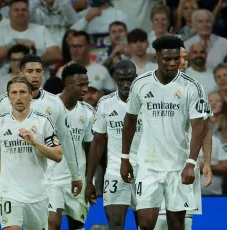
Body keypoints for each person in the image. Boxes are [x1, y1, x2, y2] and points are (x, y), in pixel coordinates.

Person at [121, 35, 207, 230]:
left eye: (176, 58)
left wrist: (191, 163)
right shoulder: (141, 84)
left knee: (176, 223)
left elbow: (199, 127)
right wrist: (125, 158)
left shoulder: (192, 87)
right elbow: (130, 120)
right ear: (157, 59)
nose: (173, 63)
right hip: (148, 166)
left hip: (178, 166)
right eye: (167, 59)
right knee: (145, 222)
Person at [0, 54, 83, 198]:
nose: (35, 75)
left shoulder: (54, 103)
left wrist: (75, 175)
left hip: (47, 179)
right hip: (13, 180)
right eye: (30, 71)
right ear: (21, 74)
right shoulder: (3, 102)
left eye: (38, 71)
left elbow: (66, 140)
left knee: (51, 221)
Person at [0, 76, 63, 229]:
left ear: (31, 95)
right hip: (9, 192)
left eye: (22, 92)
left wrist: (35, 142)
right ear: (8, 97)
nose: (18, 97)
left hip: (38, 194)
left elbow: (58, 155)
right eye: (14, 93)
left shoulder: (43, 122)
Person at [154, 45, 213, 230]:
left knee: (184, 222)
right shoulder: (150, 87)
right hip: (154, 167)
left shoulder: (196, 89)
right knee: (155, 222)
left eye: (185, 58)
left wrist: (207, 163)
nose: (183, 62)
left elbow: (205, 128)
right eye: (179, 58)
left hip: (186, 165)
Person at [86, 60, 140, 230]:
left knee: (146, 225)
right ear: (115, 79)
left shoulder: (146, 102)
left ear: (136, 78)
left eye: (130, 79)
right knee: (115, 223)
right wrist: (89, 180)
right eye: (121, 80)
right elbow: (98, 142)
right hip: (115, 170)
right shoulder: (105, 103)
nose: (126, 84)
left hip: (145, 170)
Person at [48, 63, 95, 230]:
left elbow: (90, 149)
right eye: (80, 85)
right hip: (51, 177)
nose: (85, 89)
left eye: (87, 84)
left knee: (77, 225)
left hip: (78, 179)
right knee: (52, 223)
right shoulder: (48, 107)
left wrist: (90, 181)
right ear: (67, 85)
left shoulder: (88, 112)